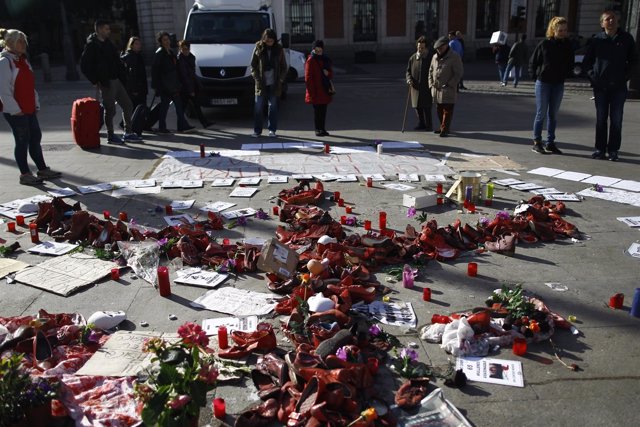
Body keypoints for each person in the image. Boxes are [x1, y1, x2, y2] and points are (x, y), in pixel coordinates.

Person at [0, 29, 61, 185]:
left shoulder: (23, 60)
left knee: (35, 137)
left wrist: (36, 103)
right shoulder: (5, 62)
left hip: (28, 108)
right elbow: (3, 90)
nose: (23, 44)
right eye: (19, 41)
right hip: (15, 110)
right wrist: (16, 110)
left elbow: (30, 85)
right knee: (22, 140)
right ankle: (25, 174)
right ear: (10, 43)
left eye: (24, 41)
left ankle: (42, 169)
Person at [583, 10, 637, 162]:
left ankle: (613, 150)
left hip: (618, 87)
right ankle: (600, 149)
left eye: (613, 18)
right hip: (600, 87)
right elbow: (587, 62)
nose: (611, 21)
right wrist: (594, 78)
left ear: (618, 21)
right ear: (602, 23)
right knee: (601, 119)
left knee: (616, 119)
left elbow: (634, 61)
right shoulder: (596, 40)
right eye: (607, 19)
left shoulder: (626, 39)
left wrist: (625, 77)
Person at [80, 20, 141, 145]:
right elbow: (84, 65)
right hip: (106, 82)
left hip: (116, 79)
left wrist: (122, 72)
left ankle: (128, 132)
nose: (109, 31)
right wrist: (95, 80)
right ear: (100, 30)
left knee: (128, 105)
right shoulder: (92, 45)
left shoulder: (108, 43)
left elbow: (116, 60)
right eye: (107, 29)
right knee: (110, 109)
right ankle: (111, 135)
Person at [529, 16, 573, 155]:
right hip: (543, 82)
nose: (563, 33)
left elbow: (570, 62)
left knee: (553, 114)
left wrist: (566, 73)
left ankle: (550, 143)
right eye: (560, 30)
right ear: (553, 30)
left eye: (565, 30)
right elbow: (533, 61)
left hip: (558, 83)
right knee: (541, 113)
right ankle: (537, 142)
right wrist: (535, 75)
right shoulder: (544, 44)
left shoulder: (568, 45)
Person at [151, 31, 194, 134]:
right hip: (165, 86)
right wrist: (156, 86)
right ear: (160, 42)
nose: (167, 42)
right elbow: (155, 70)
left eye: (168, 39)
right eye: (164, 40)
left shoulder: (170, 52)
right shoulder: (160, 53)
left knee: (178, 106)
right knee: (165, 107)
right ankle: (163, 127)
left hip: (173, 84)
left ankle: (182, 125)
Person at [250, 28, 287, 137]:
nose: (270, 43)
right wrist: (257, 79)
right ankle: (257, 131)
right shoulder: (258, 47)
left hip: (274, 83)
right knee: (258, 107)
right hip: (261, 83)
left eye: (271, 41)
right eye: (267, 41)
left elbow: (284, 67)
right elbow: (253, 66)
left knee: (273, 107)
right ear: (264, 40)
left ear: (275, 40)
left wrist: (280, 79)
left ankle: (272, 130)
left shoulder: (279, 49)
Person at [428, 36, 463, 137]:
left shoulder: (454, 56)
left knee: (447, 111)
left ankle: (445, 129)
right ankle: (442, 127)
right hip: (436, 89)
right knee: (439, 109)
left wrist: (450, 84)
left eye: (441, 48)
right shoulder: (434, 57)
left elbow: (458, 73)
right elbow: (430, 71)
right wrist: (430, 84)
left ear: (446, 46)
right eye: (437, 49)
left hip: (448, 89)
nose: (439, 51)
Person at [177, 39, 213, 129]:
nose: (186, 51)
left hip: (191, 86)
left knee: (194, 106)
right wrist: (191, 90)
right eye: (184, 49)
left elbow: (192, 74)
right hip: (185, 88)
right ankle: (182, 125)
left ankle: (204, 123)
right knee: (184, 107)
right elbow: (184, 76)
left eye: (187, 49)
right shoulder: (180, 60)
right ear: (180, 49)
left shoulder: (191, 57)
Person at [304, 40, 333, 136]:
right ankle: (317, 129)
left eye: (320, 51)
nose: (318, 53)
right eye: (316, 51)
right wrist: (311, 92)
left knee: (323, 110)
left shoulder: (325, 59)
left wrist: (328, 73)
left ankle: (322, 129)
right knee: (317, 111)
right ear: (313, 50)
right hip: (315, 90)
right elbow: (308, 78)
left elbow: (330, 73)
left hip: (324, 89)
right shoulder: (310, 60)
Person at [406, 36, 434, 131]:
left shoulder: (430, 57)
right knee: (417, 107)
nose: (420, 49)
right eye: (418, 47)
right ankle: (421, 123)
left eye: (422, 48)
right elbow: (408, 71)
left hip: (426, 87)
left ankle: (429, 125)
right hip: (415, 87)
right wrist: (409, 79)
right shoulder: (413, 58)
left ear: (426, 48)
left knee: (427, 107)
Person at [121, 36, 148, 110]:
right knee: (135, 111)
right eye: (136, 44)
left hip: (141, 89)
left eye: (139, 44)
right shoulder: (130, 57)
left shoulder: (138, 56)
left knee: (140, 110)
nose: (139, 46)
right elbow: (130, 75)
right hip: (134, 91)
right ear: (131, 45)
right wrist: (134, 90)